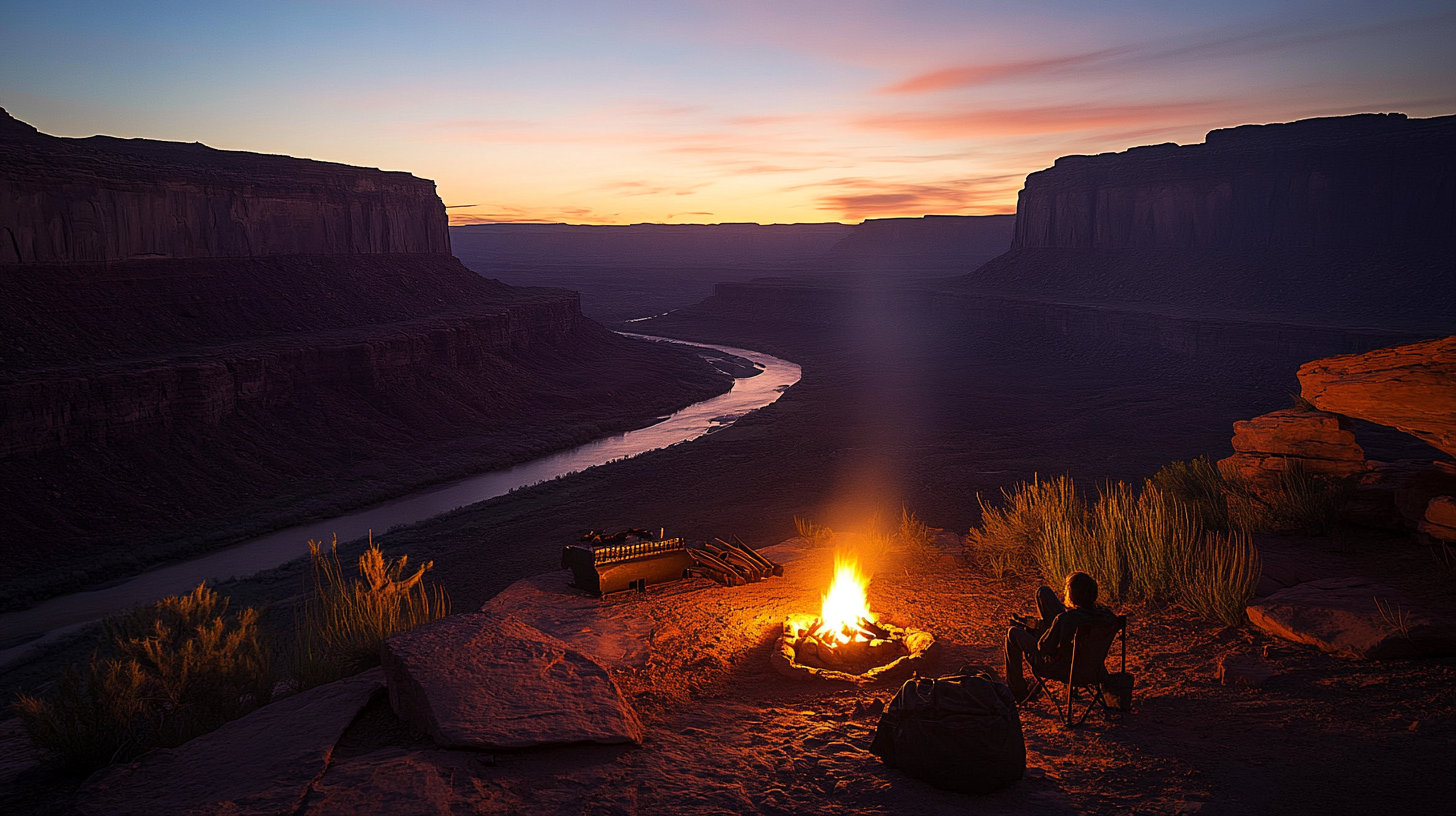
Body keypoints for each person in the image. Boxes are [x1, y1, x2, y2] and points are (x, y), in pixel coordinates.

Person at [1003, 572, 1116, 702]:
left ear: (1072, 594)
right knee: (1043, 592)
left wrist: (1035, 634)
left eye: (1067, 589)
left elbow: (1044, 648)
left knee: (1012, 633)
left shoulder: (1065, 619)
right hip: (1094, 668)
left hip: (1062, 668)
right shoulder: (1107, 616)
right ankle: (1038, 627)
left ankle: (1018, 691)